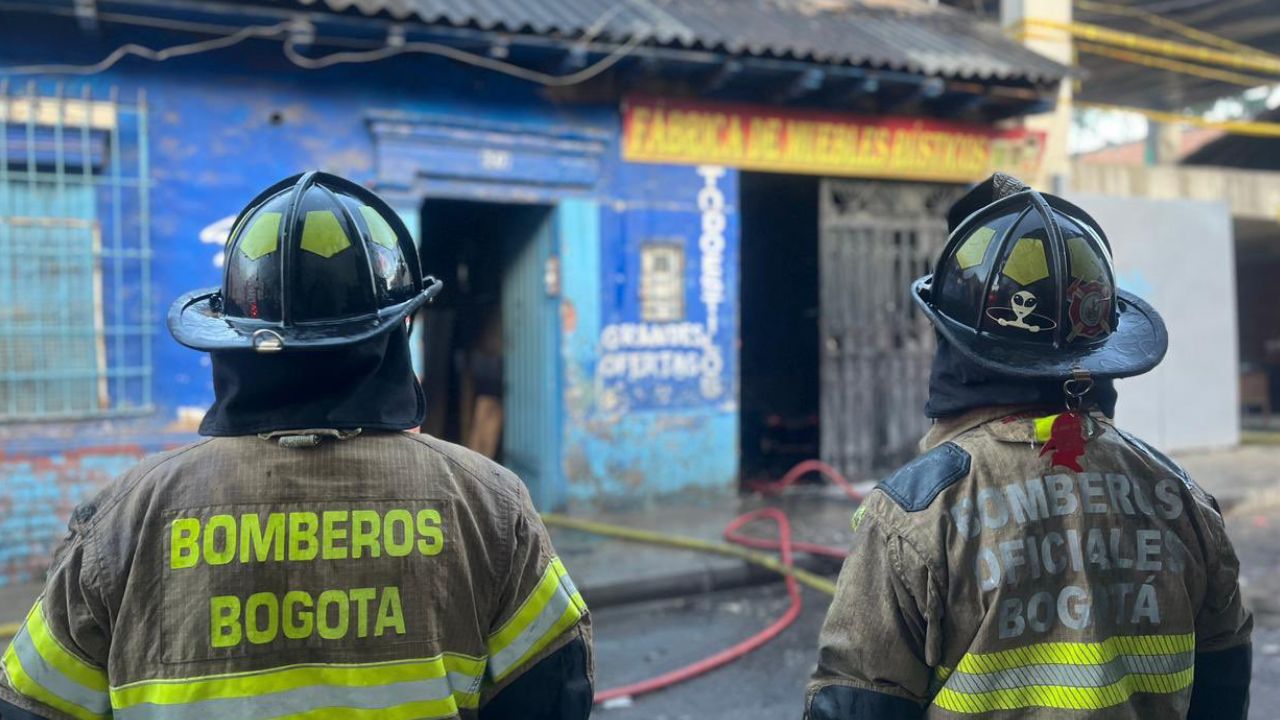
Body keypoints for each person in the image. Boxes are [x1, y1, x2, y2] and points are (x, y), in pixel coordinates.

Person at [0, 172, 593, 720]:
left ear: (228, 340)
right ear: (394, 335)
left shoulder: (126, 517)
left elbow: (31, 704)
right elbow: (554, 694)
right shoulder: (489, 505)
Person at [805, 174, 1251, 719]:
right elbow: (1224, 691)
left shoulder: (915, 516)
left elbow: (857, 705)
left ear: (955, 349)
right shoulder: (1185, 502)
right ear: (1102, 350)